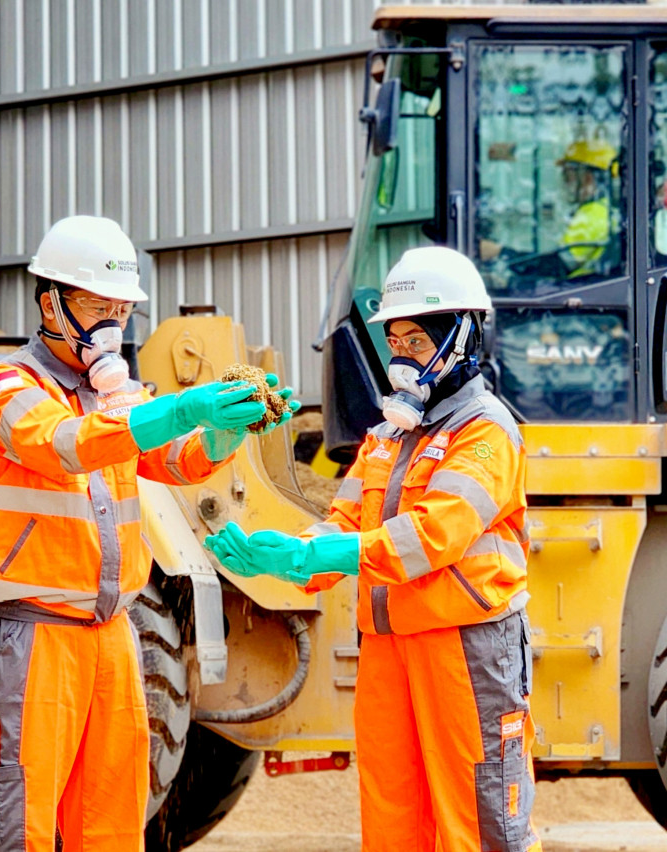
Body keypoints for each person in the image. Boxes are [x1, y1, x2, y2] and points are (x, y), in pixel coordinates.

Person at [0, 214, 296, 852]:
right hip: (34, 637)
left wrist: (220, 434)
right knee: (15, 820)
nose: (109, 324)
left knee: (113, 821)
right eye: (95, 306)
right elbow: (68, 446)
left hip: (112, 635)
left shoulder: (112, 398)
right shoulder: (6, 387)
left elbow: (173, 459)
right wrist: (183, 406)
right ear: (50, 303)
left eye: (120, 309)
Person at [205, 246, 540, 852]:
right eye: (395, 341)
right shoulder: (386, 437)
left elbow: (432, 536)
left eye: (416, 340)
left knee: (479, 817)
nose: (401, 357)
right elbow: (344, 519)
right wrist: (290, 552)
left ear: (461, 336)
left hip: (465, 648)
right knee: (392, 816)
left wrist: (315, 558)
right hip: (388, 649)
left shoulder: (486, 431)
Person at [481, 136, 617, 282]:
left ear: (587, 178)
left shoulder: (594, 215)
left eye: (568, 175)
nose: (564, 182)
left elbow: (556, 267)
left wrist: (499, 252)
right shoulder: (602, 210)